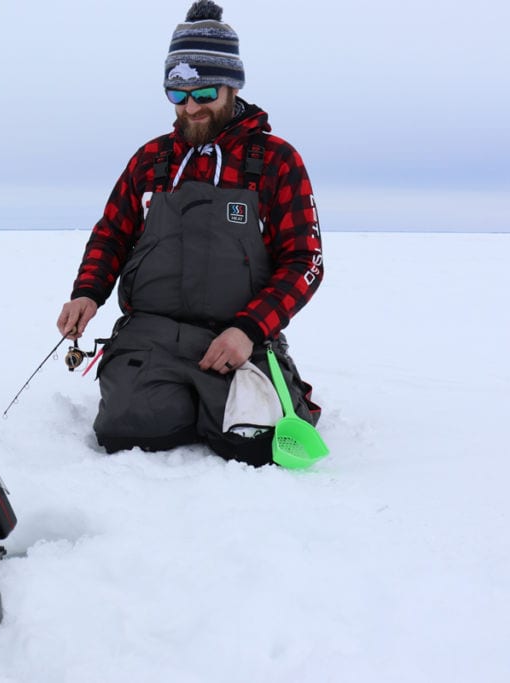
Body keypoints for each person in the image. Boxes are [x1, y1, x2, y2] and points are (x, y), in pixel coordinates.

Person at [56, 0, 323, 466]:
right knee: (128, 431)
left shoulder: (275, 160)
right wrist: (88, 293)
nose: (191, 107)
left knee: (253, 445)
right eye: (178, 95)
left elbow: (305, 262)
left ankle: (261, 387)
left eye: (203, 94)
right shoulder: (151, 159)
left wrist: (248, 329)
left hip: (238, 337)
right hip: (151, 336)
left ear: (231, 86)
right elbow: (112, 234)